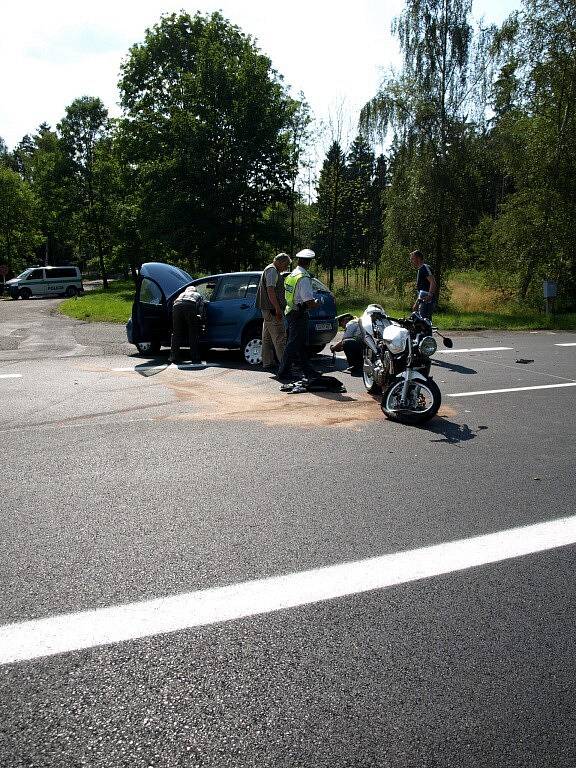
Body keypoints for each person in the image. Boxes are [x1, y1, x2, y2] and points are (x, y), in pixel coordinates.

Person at [277, 248, 321, 381]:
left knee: (300, 344)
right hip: (299, 313)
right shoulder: (303, 277)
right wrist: (317, 302)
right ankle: (283, 372)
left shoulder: (292, 275)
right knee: (293, 344)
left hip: (291, 311)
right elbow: (308, 301)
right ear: (309, 262)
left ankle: (308, 371)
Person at [255, 252, 292, 371]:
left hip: (267, 310)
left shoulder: (270, 269)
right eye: (285, 265)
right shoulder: (272, 271)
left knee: (267, 338)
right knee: (280, 337)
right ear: (280, 262)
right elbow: (270, 290)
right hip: (272, 310)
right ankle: (284, 366)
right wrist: (277, 308)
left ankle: (267, 363)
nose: (285, 268)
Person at [168, 285, 206, 364]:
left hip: (176, 306)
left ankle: (173, 357)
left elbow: (174, 303)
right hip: (190, 305)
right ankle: (195, 356)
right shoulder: (198, 295)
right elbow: (201, 309)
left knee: (176, 333)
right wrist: (200, 319)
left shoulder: (181, 294)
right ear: (195, 291)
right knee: (193, 333)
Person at [410, 249, 437, 320]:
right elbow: (422, 289)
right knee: (422, 321)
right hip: (422, 297)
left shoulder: (424, 267)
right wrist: (417, 303)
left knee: (423, 322)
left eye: (413, 259)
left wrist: (430, 295)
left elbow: (433, 282)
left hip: (426, 298)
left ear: (418, 258)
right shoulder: (421, 269)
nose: (411, 261)